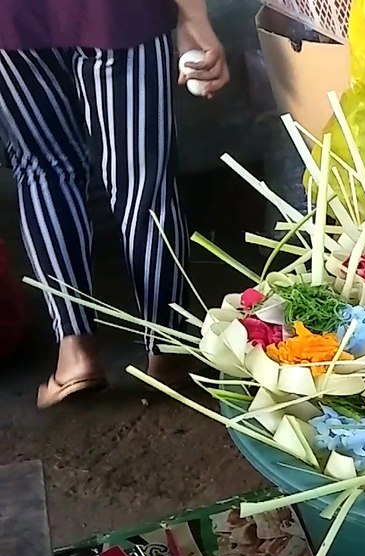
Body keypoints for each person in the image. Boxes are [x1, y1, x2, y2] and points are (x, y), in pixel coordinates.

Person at [0, 0, 229, 408]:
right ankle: (168, 348)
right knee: (142, 180)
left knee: (43, 168)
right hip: (118, 13)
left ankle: (74, 353)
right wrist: (194, 20)